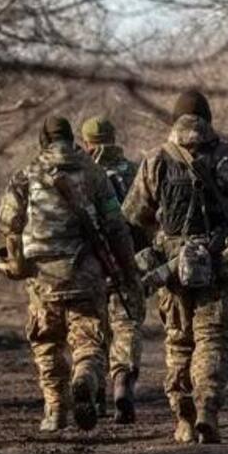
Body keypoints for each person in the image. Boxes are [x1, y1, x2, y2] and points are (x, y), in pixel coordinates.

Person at [122, 91, 228, 444]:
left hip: (172, 267)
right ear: (209, 118)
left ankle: (183, 418)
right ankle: (208, 411)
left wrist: (168, 234)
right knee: (212, 341)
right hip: (218, 264)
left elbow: (135, 215)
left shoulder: (156, 160)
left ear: (175, 120)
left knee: (179, 343)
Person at [0, 117, 139, 432]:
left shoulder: (26, 175)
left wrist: (16, 262)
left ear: (43, 141)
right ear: (72, 138)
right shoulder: (94, 173)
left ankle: (57, 410)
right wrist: (127, 270)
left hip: (42, 276)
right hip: (86, 274)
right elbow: (116, 227)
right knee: (89, 340)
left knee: (46, 341)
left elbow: (8, 225)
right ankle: (85, 378)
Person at [79, 116, 146, 424]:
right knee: (127, 325)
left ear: (87, 143)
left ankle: (94, 392)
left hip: (90, 264)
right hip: (129, 261)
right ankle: (122, 380)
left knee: (93, 329)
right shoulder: (135, 171)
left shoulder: (83, 174)